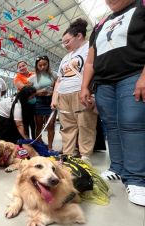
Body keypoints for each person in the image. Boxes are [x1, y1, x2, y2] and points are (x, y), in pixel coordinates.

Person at [80, 0, 145, 206]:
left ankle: (137, 179)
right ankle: (117, 166)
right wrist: (85, 87)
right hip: (104, 82)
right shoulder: (100, 24)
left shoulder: (141, 6)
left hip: (133, 74)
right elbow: (90, 61)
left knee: (132, 123)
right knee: (111, 125)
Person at [51, 18, 97, 162]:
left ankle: (85, 156)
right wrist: (54, 98)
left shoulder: (90, 47)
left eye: (67, 41)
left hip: (81, 92)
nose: (65, 45)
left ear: (79, 36)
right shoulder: (65, 57)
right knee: (67, 127)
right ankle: (69, 154)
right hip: (63, 94)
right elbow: (59, 79)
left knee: (85, 124)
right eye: (63, 43)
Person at [28, 55, 58, 150]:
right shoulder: (32, 78)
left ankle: (50, 147)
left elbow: (58, 88)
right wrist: (38, 92)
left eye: (45, 64)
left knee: (51, 124)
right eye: (40, 65)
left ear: (48, 64)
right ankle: (39, 145)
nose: (42, 67)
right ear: (36, 66)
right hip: (38, 102)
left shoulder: (54, 75)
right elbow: (28, 93)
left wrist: (53, 93)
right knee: (39, 125)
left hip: (51, 101)